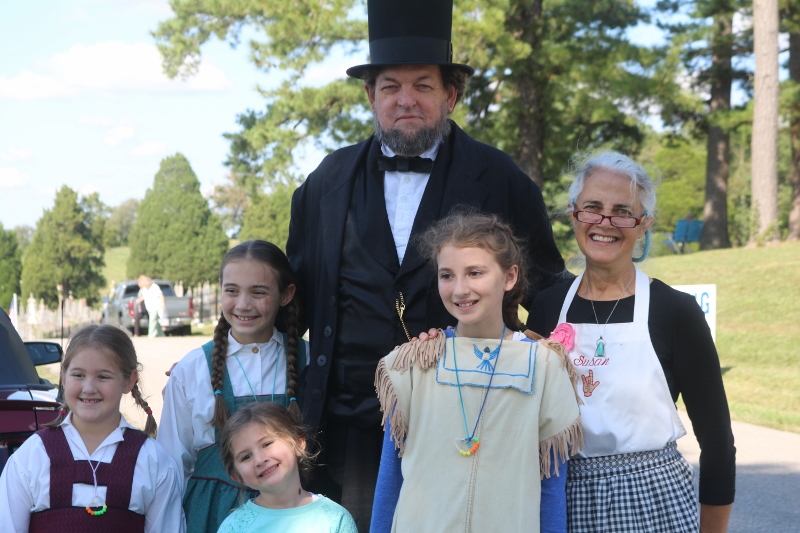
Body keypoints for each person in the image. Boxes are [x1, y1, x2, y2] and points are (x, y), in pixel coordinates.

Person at [286, 0, 568, 526]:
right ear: (371, 96)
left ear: (451, 95)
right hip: (347, 430)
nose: (406, 101)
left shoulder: (500, 178)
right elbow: (292, 298)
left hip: (467, 423)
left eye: (423, 86)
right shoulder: (326, 182)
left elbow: (547, 289)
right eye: (391, 87)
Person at [525, 152, 735, 532]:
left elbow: (718, 443)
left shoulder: (676, 311)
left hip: (655, 504)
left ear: (644, 225)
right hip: (562, 501)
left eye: (623, 211)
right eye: (592, 208)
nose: (605, 223)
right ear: (574, 214)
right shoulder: (547, 307)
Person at [369, 211, 582, 532]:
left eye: (475, 273)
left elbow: (551, 485)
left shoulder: (545, 365)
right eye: (447, 275)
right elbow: (390, 476)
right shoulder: (413, 364)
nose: (459, 290)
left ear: (509, 277)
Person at [158, 240, 309, 533]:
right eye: (232, 291)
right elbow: (171, 465)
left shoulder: (309, 362)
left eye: (258, 292)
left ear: (286, 294)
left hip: (291, 518)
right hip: (213, 516)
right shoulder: (192, 369)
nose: (242, 304)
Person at [0, 324, 185, 533]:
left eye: (103, 377)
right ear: (63, 377)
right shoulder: (32, 456)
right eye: (78, 375)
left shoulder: (153, 461)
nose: (89, 388)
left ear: (129, 381)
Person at [216, 402, 357, 533]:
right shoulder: (233, 527)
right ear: (237, 476)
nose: (259, 460)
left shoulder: (335, 518)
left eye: (267, 444)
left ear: (298, 443)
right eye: (246, 457)